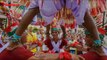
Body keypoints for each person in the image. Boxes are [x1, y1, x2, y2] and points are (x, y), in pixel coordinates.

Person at [0, 0, 106, 60]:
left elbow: (63, 38)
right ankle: (98, 44)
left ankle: (15, 39)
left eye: (56, 33)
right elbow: (47, 36)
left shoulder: (62, 41)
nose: (54, 34)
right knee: (84, 13)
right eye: (53, 33)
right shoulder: (48, 40)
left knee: (84, 13)